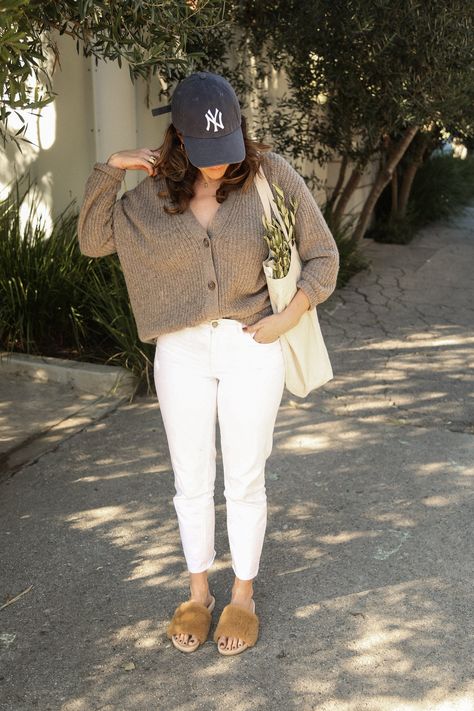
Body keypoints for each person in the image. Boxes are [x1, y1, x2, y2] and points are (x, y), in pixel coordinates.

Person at [77, 70, 339, 656]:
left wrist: (287, 316)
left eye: (228, 147)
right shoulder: (149, 196)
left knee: (245, 476)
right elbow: (94, 239)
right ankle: (198, 591)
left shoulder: (272, 176)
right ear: (178, 139)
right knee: (190, 479)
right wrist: (112, 168)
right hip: (182, 351)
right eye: (205, 150)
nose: (220, 163)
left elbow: (323, 255)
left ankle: (242, 593)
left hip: (252, 345)